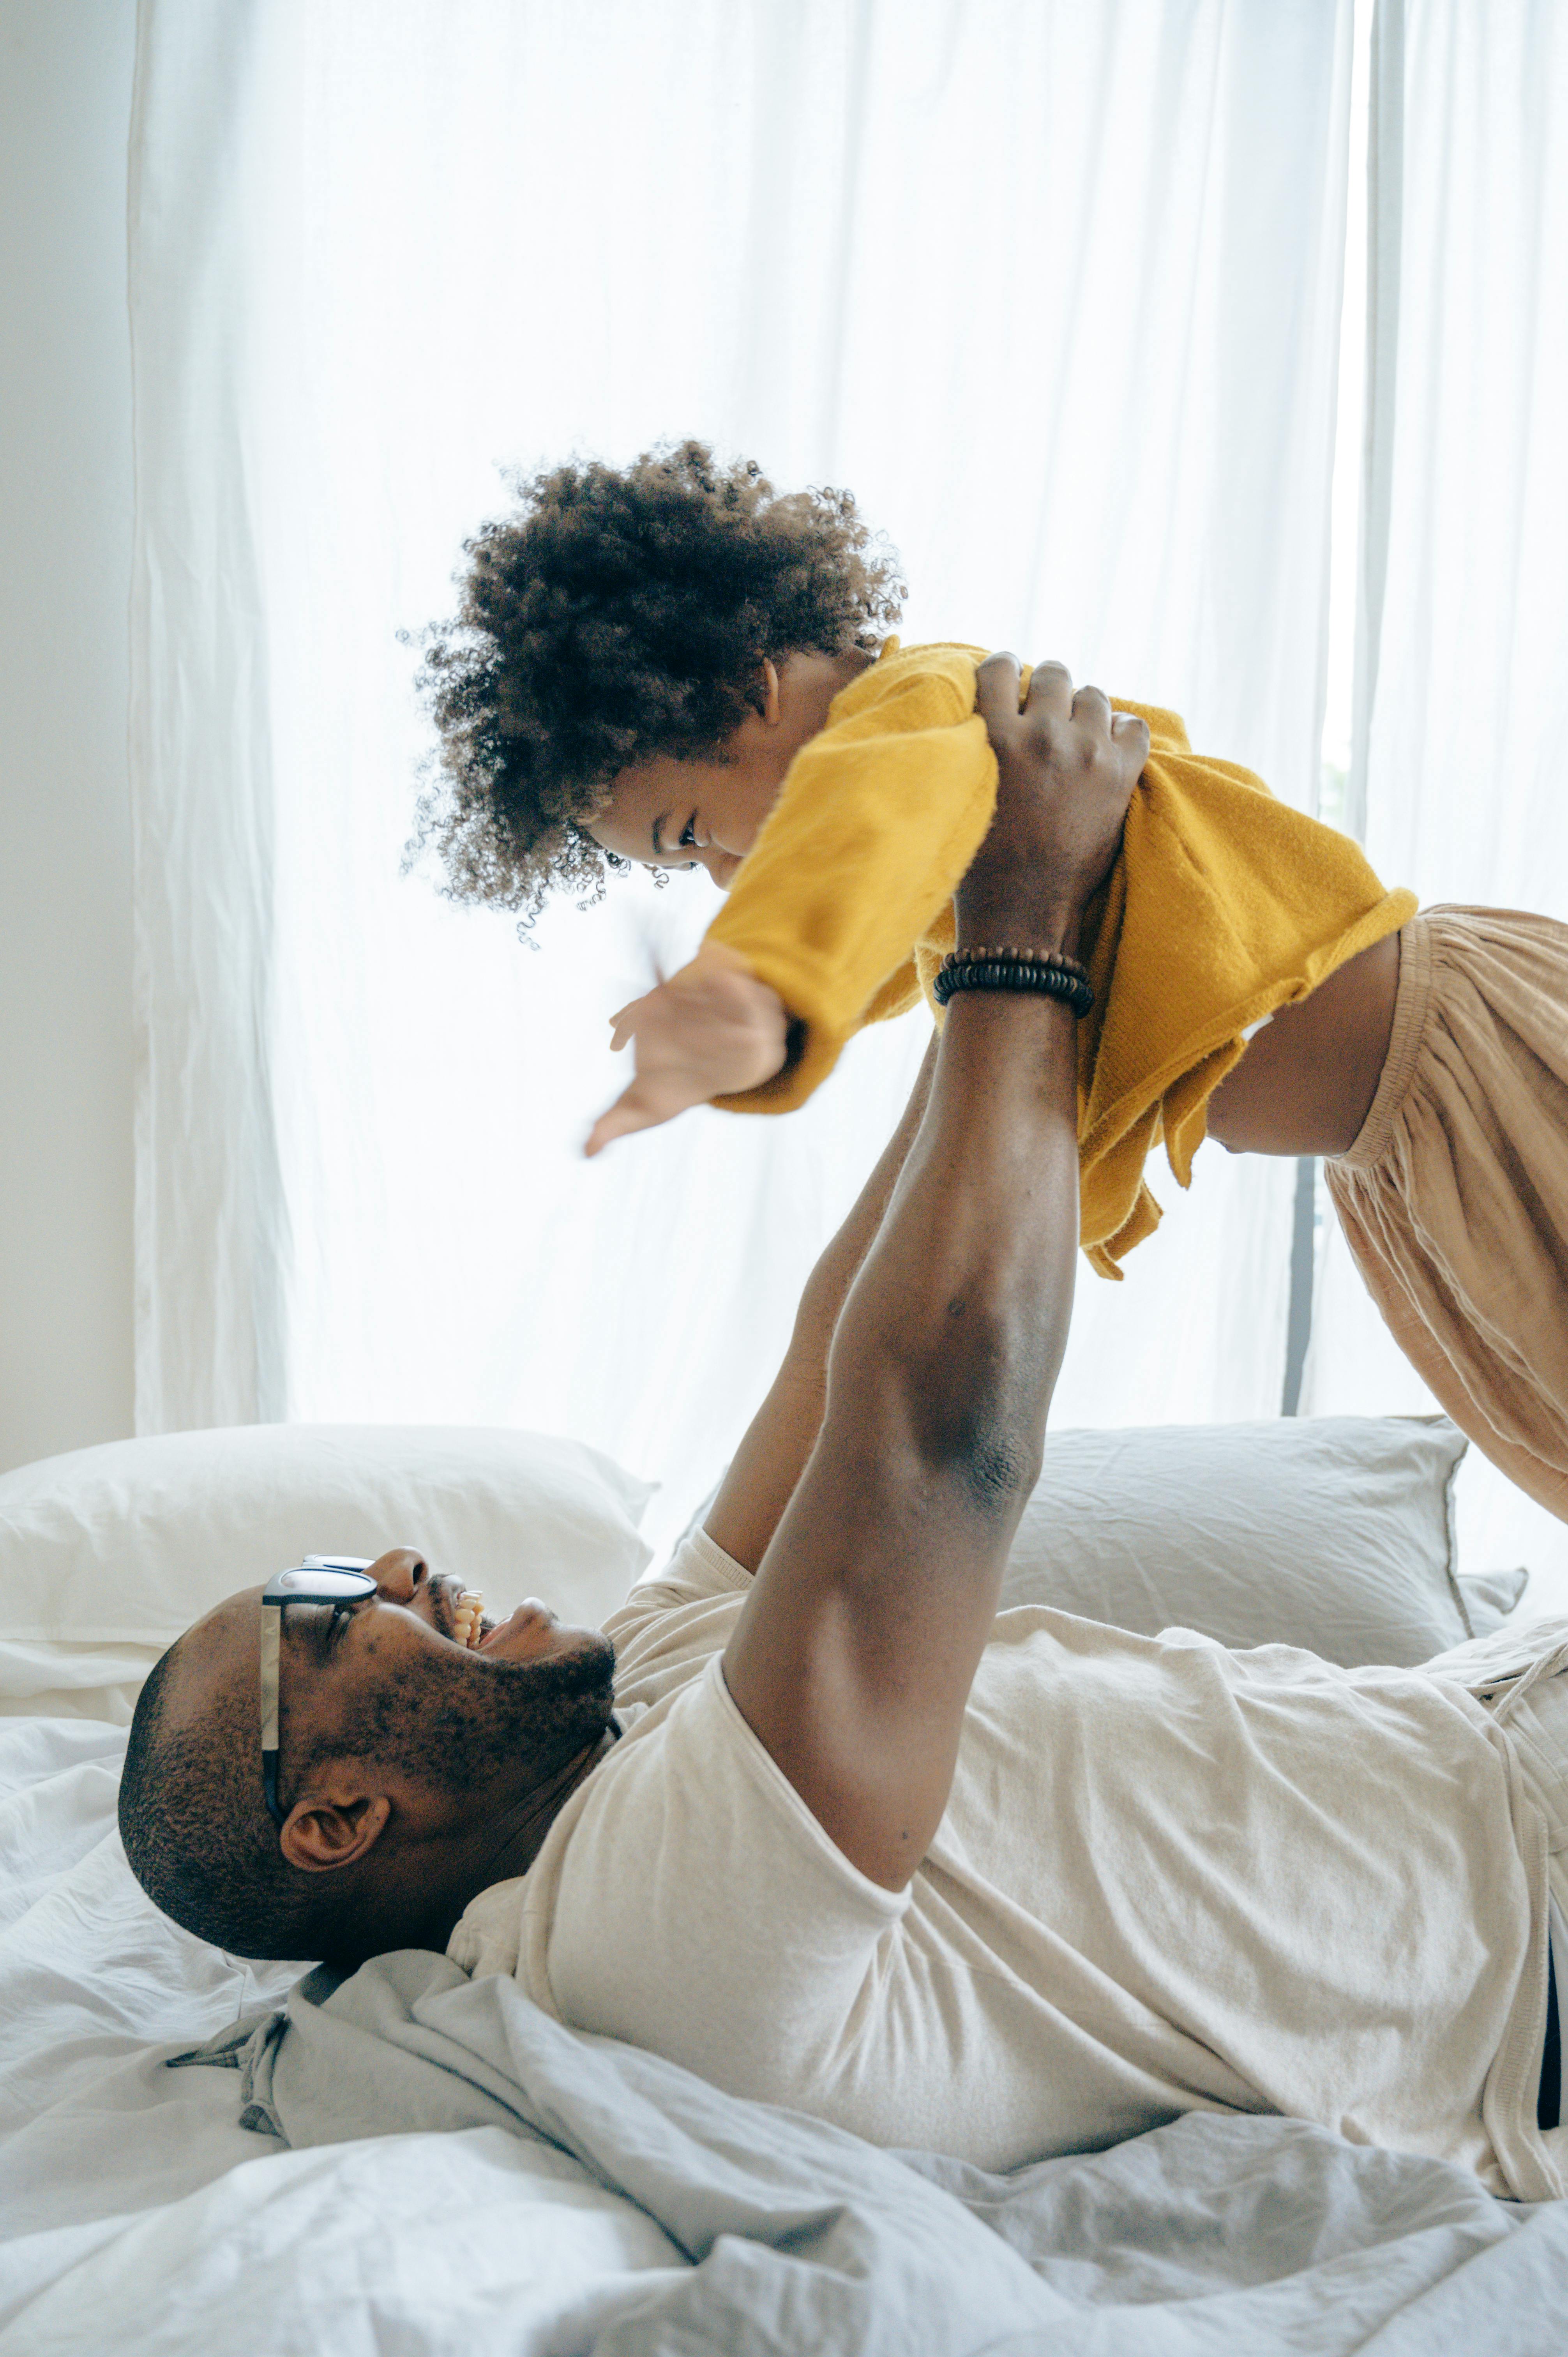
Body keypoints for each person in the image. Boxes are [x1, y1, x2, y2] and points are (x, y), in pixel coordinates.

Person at [123, 666, 1567, 2201]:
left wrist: (978, 937)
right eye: (330, 1611)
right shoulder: (643, 1932)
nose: (395, 1565)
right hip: (1533, 1932)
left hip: (1501, 1731)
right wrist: (1028, 936)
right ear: (338, 1817)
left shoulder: (649, 1690)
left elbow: (837, 1353)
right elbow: (942, 1439)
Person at [413, 440, 1568, 1518]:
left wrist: (755, 994)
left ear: (745, 694)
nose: (719, 878)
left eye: (690, 835)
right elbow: (876, 944)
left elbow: (852, 850)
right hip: (1397, 1142)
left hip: (1469, 1060)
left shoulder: (914, 713)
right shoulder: (943, 823)